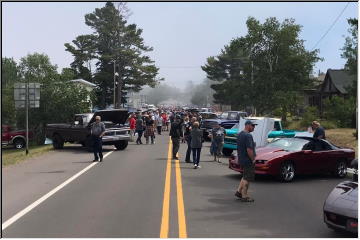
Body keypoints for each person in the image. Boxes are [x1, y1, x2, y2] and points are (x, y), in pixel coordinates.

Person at [235, 120, 257, 202]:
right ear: (247, 125)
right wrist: (253, 159)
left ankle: (238, 191)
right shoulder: (248, 136)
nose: (254, 127)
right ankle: (245, 196)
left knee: (245, 176)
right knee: (247, 178)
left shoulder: (240, 134)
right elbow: (249, 149)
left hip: (242, 158)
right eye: (253, 125)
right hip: (248, 160)